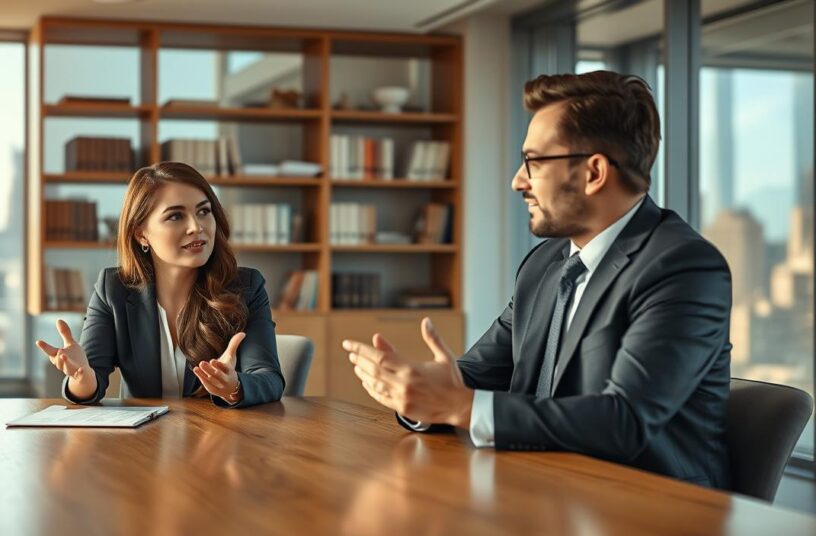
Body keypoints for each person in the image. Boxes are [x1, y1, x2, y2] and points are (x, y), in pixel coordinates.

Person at [341, 71, 732, 488]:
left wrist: (462, 408)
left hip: (655, 521)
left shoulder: (684, 268)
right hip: (543, 498)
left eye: (533, 162)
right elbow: (473, 376)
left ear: (594, 172)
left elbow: (626, 421)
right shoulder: (544, 264)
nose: (517, 181)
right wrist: (416, 392)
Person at [36, 161, 284, 408]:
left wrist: (234, 386)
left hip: (218, 439)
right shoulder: (113, 289)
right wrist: (82, 377)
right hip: (143, 442)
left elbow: (269, 378)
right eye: (176, 216)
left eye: (203, 211)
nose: (196, 227)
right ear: (141, 233)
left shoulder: (246, 286)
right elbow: (91, 383)